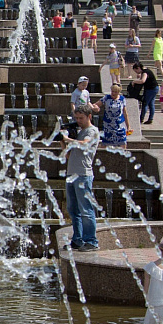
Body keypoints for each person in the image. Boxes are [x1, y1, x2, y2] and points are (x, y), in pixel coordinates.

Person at [61, 105, 100, 251]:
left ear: (89, 117)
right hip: (71, 173)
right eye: (76, 118)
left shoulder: (92, 131)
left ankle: (91, 241)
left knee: (86, 209)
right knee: (73, 209)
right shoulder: (78, 132)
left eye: (81, 118)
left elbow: (85, 144)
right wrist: (62, 140)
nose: (78, 121)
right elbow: (68, 154)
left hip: (84, 175)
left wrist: (67, 138)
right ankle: (77, 239)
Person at [91, 83, 130, 149]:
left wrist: (128, 126)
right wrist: (95, 108)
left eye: (115, 92)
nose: (113, 93)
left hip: (119, 125)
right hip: (108, 125)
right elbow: (95, 104)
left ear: (118, 92)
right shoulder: (106, 98)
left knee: (123, 142)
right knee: (105, 142)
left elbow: (125, 113)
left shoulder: (122, 99)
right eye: (112, 91)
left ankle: (123, 157)